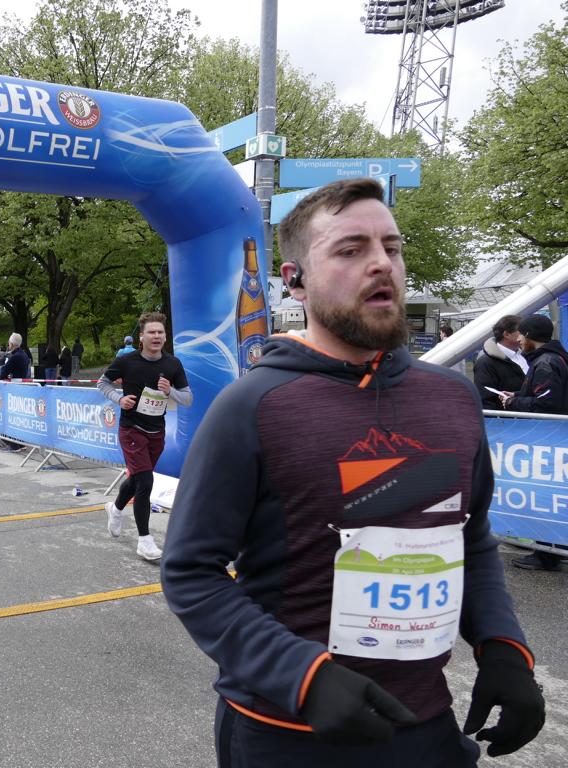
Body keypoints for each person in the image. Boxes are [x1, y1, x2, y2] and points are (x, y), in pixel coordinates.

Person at [160, 178, 545, 766]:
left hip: (427, 725)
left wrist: (503, 646)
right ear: (295, 281)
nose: (381, 264)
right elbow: (191, 572)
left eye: (391, 247)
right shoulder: (253, 406)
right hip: (287, 731)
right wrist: (302, 675)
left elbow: (467, 537)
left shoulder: (452, 398)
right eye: (350, 249)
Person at [97, 312, 190, 561]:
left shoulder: (173, 364)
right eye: (151, 332)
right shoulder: (127, 361)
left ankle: (115, 508)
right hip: (131, 429)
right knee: (146, 481)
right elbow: (102, 383)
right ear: (141, 336)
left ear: (165, 337)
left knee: (138, 479)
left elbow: (187, 398)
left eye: (160, 332)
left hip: (156, 431)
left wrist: (170, 392)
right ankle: (145, 541)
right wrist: (119, 399)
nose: (156, 336)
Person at [501, 313, 568, 572]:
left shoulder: (545, 363)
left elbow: (546, 404)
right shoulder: (552, 359)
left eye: (521, 334)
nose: (518, 339)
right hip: (553, 438)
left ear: (530, 335)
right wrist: (518, 394)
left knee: (543, 496)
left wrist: (513, 402)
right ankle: (554, 548)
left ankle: (547, 554)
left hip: (546, 439)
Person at [472, 314, 527, 410]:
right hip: (507, 418)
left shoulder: (527, 356)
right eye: (521, 331)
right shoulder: (485, 363)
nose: (526, 334)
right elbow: (486, 401)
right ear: (506, 334)